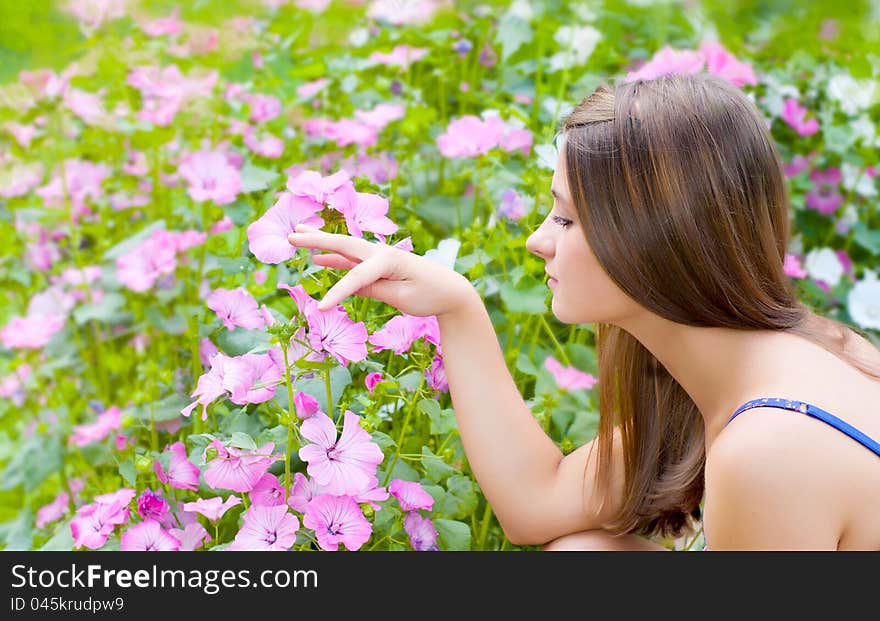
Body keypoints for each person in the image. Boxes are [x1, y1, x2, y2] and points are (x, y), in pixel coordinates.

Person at [287, 72, 880, 551]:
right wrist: (457, 307)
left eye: (567, 220)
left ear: (655, 240)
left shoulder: (769, 452)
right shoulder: (781, 355)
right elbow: (536, 504)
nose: (537, 242)